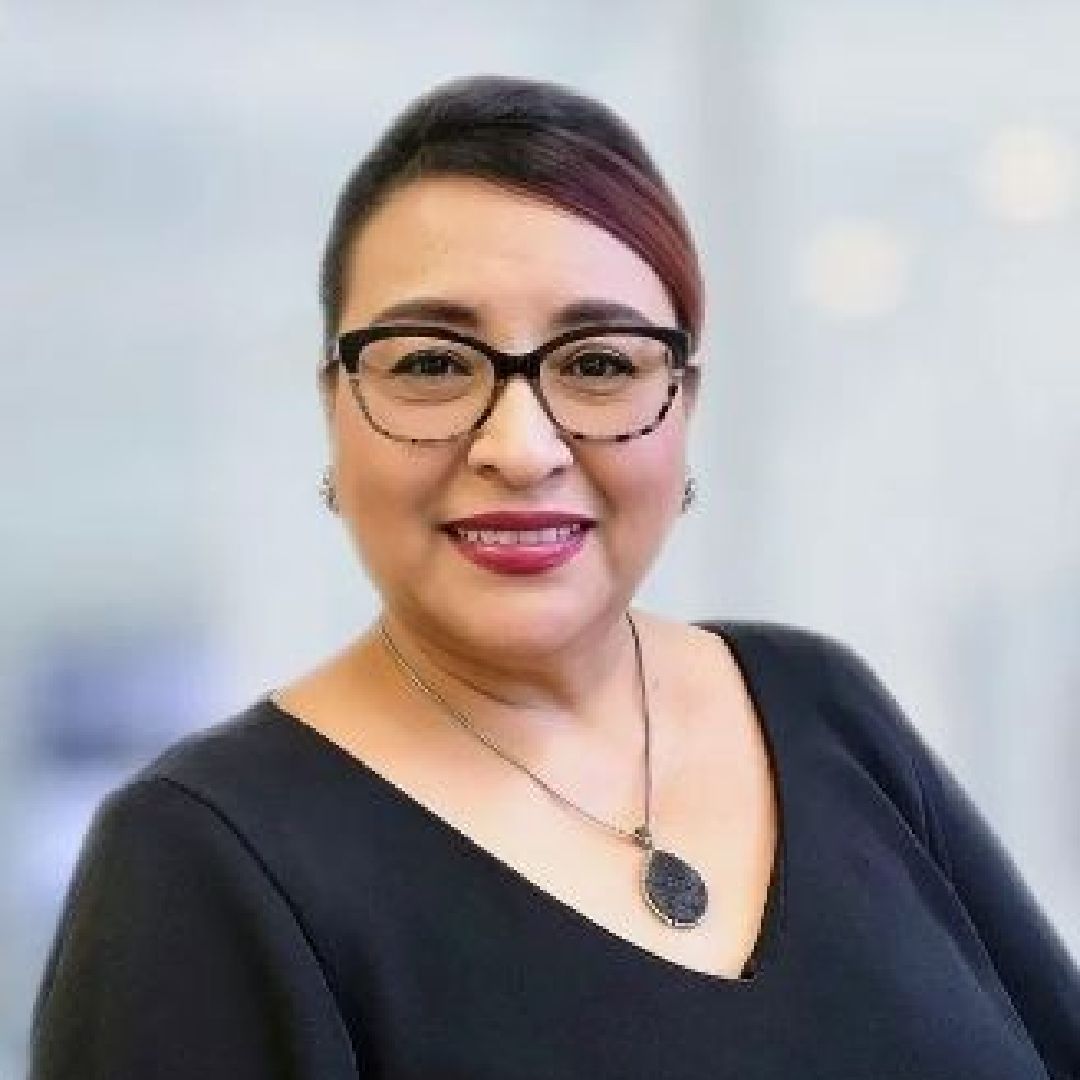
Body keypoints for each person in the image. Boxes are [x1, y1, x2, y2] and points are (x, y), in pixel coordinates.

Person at [28, 74, 1078, 1079]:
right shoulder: (198, 864)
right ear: (335, 410)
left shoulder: (817, 704)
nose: (522, 448)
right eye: (434, 363)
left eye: (600, 363)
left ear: (684, 407)